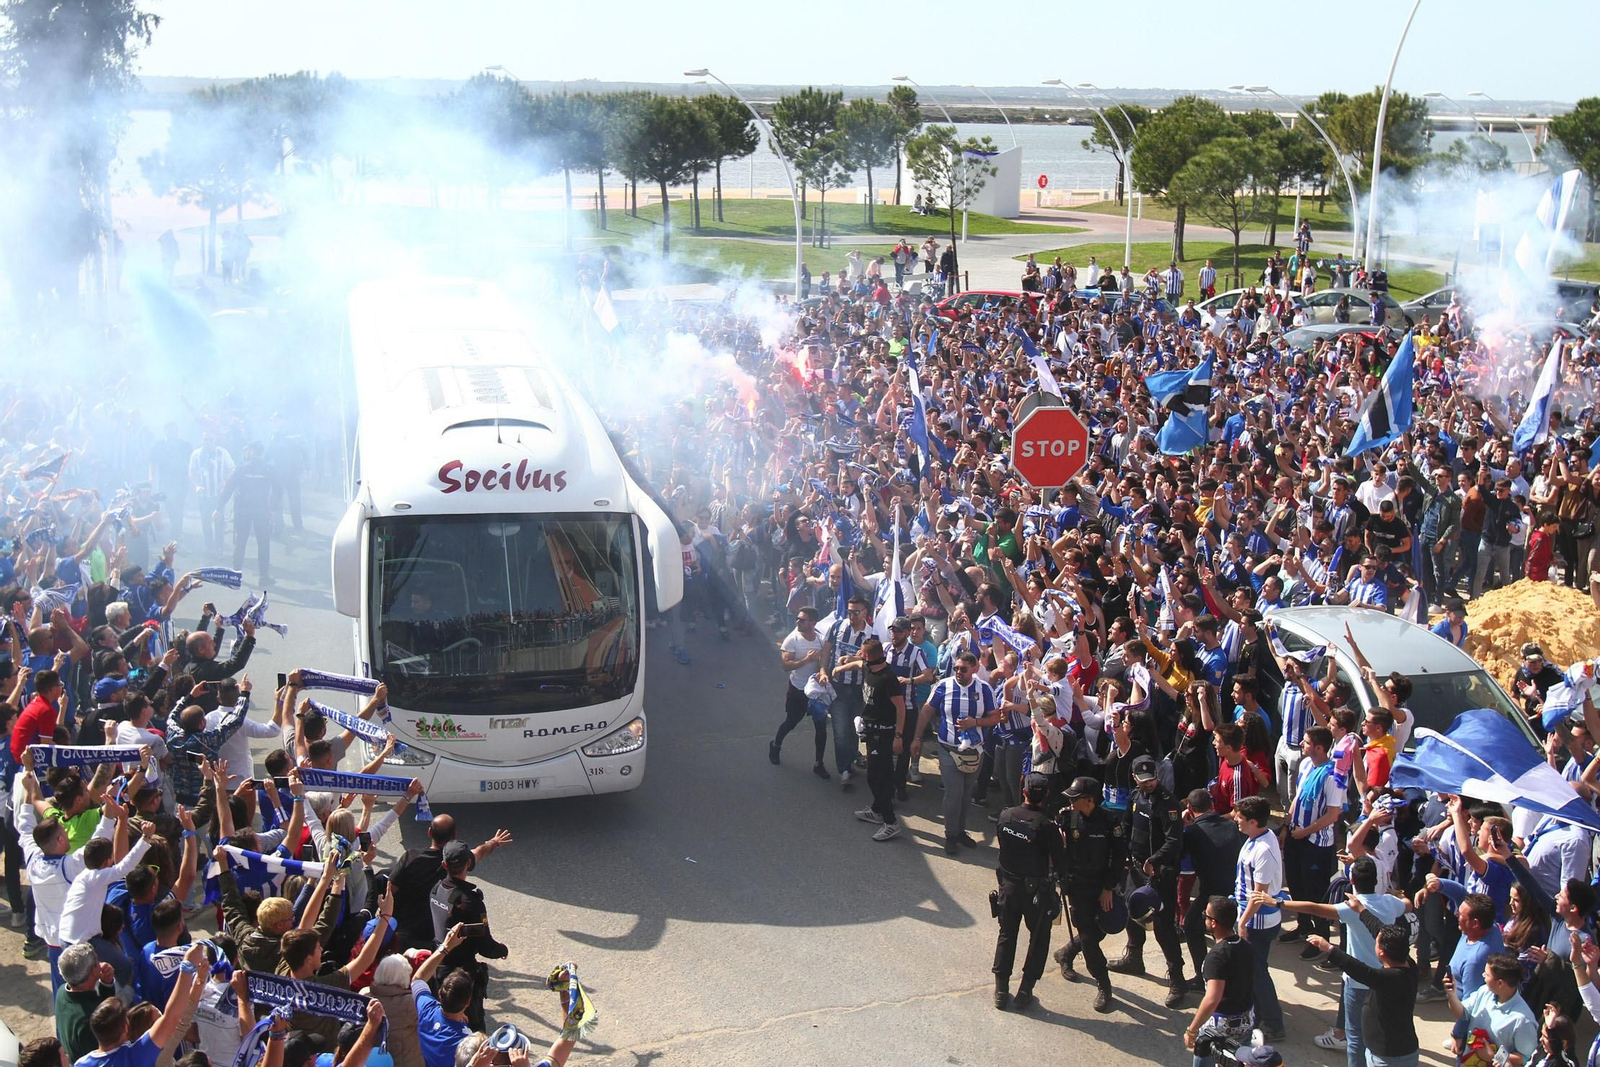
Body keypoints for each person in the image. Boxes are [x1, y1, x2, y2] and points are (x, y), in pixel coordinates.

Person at [1109, 753, 1188, 1006]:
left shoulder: (1168, 803)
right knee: (1133, 913)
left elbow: (1174, 841)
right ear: (1135, 779)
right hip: (1134, 868)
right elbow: (1127, 827)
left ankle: (1177, 979)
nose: (1149, 784)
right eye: (1143, 781)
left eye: (1152, 779)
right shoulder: (1135, 797)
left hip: (1158, 873)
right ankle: (1134, 957)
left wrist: (1155, 859)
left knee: (1164, 927)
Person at [991, 772, 1068, 1012]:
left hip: (1009, 887)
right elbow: (1060, 861)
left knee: (1007, 935)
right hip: (1037, 893)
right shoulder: (1047, 826)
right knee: (1038, 939)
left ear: (1023, 790)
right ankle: (1025, 990)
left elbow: (1003, 845)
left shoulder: (1006, 816)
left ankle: (1001, 989)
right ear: (1045, 795)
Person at [1053, 774, 1128, 1014]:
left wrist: (1108, 887)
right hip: (1077, 886)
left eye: (1075, 799)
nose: (1071, 803)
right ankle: (1104, 984)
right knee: (1088, 935)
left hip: (1102, 885)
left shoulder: (1109, 821)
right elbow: (1056, 848)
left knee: (1101, 930)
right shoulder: (1068, 817)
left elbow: (1119, 856)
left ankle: (1066, 953)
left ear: (1089, 800)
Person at [72, 941, 207, 1067]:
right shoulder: (136, 1056)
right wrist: (187, 967)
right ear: (125, 1029)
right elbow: (171, 1018)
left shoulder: (80, 1064)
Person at [1309, 915, 1420, 1067]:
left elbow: (1360, 970)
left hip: (1389, 1058)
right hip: (1393, 1051)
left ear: (1382, 952)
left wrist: (1329, 949)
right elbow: (1379, 930)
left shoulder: (1390, 978)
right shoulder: (1408, 964)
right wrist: (1361, 911)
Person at [837, 637, 905, 841]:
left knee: (875, 777)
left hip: (884, 734)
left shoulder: (888, 678)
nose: (859, 654)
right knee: (878, 774)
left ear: (868, 655)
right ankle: (877, 810)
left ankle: (891, 822)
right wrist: (840, 669)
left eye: (861, 651)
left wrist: (898, 736)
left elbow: (901, 709)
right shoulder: (868, 667)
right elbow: (857, 663)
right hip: (870, 732)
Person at [1232, 795, 1285, 1043]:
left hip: (1258, 922)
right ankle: (1258, 1014)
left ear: (1253, 821)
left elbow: (1259, 893)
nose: (1235, 819)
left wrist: (1242, 922)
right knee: (1253, 970)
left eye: (1240, 817)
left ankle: (1273, 1023)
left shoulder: (1263, 849)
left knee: (1257, 972)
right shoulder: (1257, 838)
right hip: (1250, 916)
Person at [1184, 896, 1255, 1067]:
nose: (1204, 919)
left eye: (1206, 916)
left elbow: (1212, 998)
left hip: (1220, 1026)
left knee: (1204, 1061)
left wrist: (1192, 1030)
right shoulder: (1245, 946)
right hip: (1246, 1019)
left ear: (1214, 923)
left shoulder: (1216, 957)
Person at [1448, 952, 1540, 1066]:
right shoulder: (1484, 991)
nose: (1483, 975)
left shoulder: (1522, 1019)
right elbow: (1462, 1014)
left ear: (1500, 983)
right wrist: (1452, 995)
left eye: (1487, 975)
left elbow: (1526, 1057)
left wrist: (1494, 1056)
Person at [770, 607, 826, 776]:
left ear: (813, 623)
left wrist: (823, 670)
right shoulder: (792, 640)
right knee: (791, 722)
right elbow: (786, 666)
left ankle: (818, 764)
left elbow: (825, 660)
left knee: (821, 728)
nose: (798, 622)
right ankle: (776, 745)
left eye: (802, 620)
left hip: (816, 693)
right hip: (797, 690)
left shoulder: (821, 640)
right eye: (797, 619)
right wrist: (806, 660)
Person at [56, 941, 117, 1062]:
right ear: (93, 971)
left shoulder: (61, 992)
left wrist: (106, 984)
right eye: (96, 962)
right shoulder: (88, 1020)